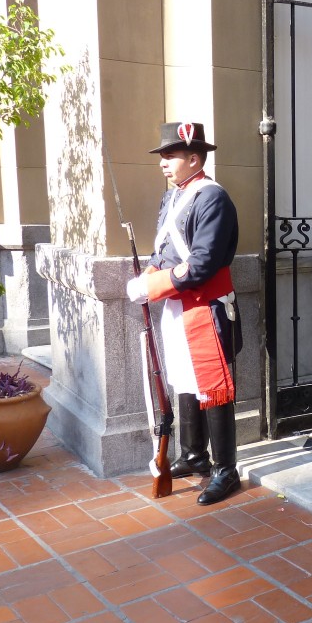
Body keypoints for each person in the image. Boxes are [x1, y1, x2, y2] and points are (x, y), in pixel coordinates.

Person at [126, 122, 243, 506]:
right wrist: (149, 274)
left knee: (213, 387)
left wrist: (153, 286)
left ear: (194, 158)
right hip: (178, 306)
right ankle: (195, 455)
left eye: (170, 155)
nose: (163, 163)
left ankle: (226, 469)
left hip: (206, 306)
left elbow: (204, 262)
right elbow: (166, 251)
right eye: (162, 156)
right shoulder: (173, 197)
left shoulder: (213, 198)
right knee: (183, 379)